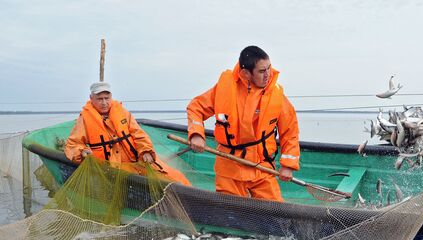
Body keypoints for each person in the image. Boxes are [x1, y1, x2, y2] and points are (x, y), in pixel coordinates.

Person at [186, 45, 300, 201]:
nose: (268, 75)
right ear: (246, 73)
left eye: (269, 68)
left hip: (262, 168)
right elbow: (196, 107)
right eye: (262, 71)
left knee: (276, 212)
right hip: (229, 167)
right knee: (231, 214)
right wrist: (196, 135)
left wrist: (287, 166)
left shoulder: (277, 95)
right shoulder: (225, 89)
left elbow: (290, 132)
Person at [65, 82, 190, 185]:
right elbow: (72, 145)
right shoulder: (84, 119)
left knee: (175, 178)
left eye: (106, 98)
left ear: (111, 97)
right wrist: (81, 152)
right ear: (91, 99)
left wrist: (146, 151)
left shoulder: (123, 113)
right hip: (108, 170)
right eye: (99, 99)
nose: (104, 102)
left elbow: (139, 134)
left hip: (137, 162)